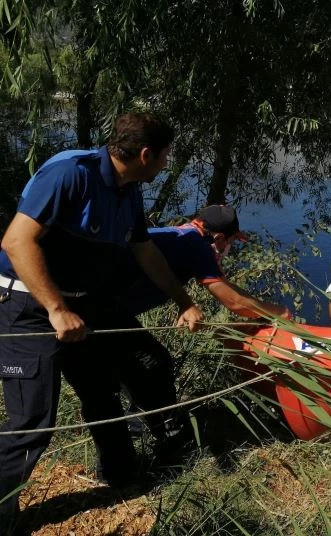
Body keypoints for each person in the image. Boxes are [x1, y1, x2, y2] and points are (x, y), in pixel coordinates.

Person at [0, 112, 203, 533]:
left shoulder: (129, 192)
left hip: (80, 309)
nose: (166, 163)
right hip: (27, 307)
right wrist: (56, 309)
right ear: (146, 154)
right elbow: (16, 241)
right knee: (31, 423)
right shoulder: (70, 174)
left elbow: (145, 251)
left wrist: (183, 301)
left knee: (102, 393)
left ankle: (122, 477)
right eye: (165, 156)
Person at [108, 204, 292, 463]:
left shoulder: (181, 234)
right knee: (152, 367)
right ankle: (157, 443)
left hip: (105, 307)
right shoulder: (197, 245)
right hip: (103, 310)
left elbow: (230, 291)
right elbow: (234, 302)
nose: (228, 249)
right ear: (219, 237)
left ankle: (144, 444)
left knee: (139, 371)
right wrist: (278, 313)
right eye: (230, 242)